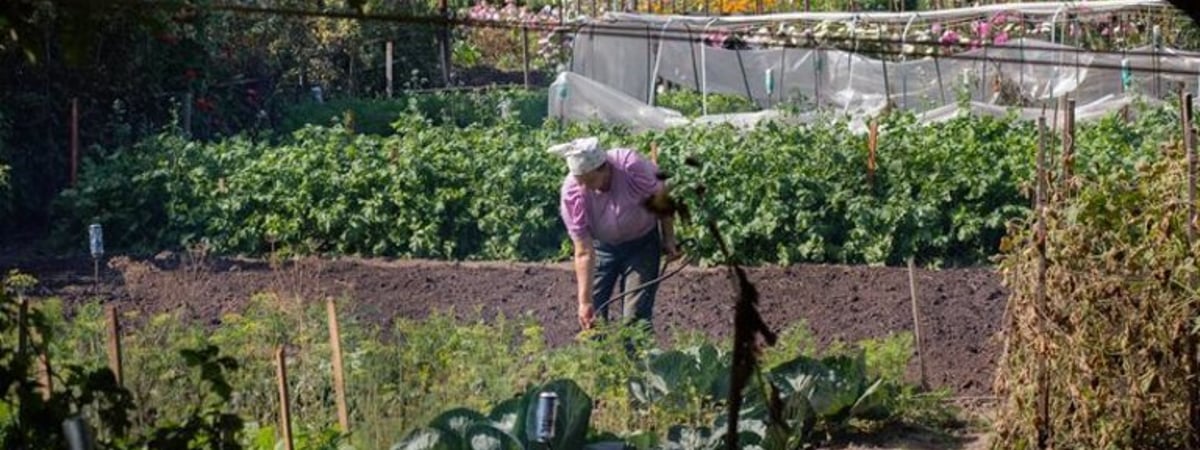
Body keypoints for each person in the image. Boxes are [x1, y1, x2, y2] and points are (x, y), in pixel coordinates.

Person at [548, 137, 679, 333]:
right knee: (593, 318)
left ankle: (637, 360)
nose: (585, 187)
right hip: (602, 248)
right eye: (580, 181)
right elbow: (583, 251)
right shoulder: (572, 192)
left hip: (641, 245)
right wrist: (584, 302)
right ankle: (599, 360)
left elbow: (661, 199)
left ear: (604, 168)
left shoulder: (631, 166)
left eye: (590, 180)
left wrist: (669, 238)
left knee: (635, 318)